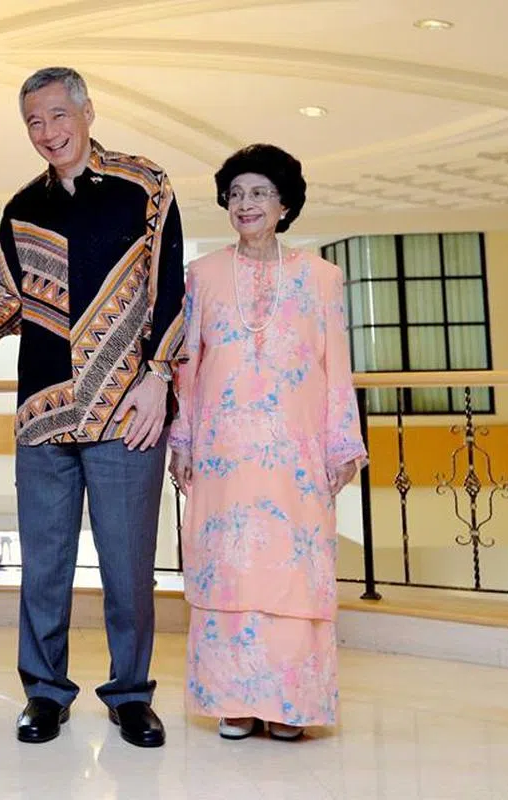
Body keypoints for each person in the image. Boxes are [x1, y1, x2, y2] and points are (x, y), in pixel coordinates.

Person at [0, 67, 185, 748]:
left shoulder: (146, 187)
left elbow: (170, 292)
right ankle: (45, 694)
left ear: (87, 111)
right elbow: (7, 299)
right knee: (42, 566)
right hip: (45, 413)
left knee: (128, 566)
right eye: (33, 122)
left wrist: (158, 376)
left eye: (56, 116)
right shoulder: (21, 208)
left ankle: (131, 695)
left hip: (127, 410)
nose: (46, 132)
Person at [167, 144, 366, 741]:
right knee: (230, 568)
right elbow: (187, 364)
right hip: (224, 453)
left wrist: (341, 444)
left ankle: (289, 703)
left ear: (284, 204)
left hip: (296, 455)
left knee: (292, 572)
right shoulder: (200, 275)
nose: (244, 204)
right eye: (235, 195)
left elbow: (338, 365)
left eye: (258, 193)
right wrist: (183, 435)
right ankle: (235, 700)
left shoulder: (323, 277)